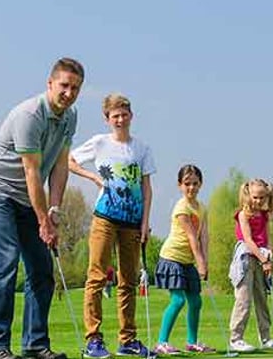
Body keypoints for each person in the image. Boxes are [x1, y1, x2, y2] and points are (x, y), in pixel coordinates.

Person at [0, 57, 84, 359]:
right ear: (50, 84)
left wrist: (55, 209)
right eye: (63, 86)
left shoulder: (70, 118)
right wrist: (43, 220)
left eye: (75, 88)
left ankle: (34, 345)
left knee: (42, 270)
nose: (68, 93)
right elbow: (32, 172)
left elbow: (60, 166)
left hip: (24, 200)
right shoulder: (29, 114)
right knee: (5, 265)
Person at [68, 93, 155, 358]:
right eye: (114, 115)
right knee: (96, 276)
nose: (120, 119)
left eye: (124, 114)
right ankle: (94, 339)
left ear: (131, 116)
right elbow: (69, 161)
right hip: (104, 218)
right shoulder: (99, 143)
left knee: (128, 282)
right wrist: (92, 177)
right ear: (107, 119)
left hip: (131, 222)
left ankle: (128, 339)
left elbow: (146, 188)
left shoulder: (141, 149)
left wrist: (145, 222)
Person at [152, 165, 218, 356]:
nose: (191, 188)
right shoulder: (182, 208)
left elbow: (203, 236)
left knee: (196, 302)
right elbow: (191, 238)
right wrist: (201, 263)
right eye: (187, 184)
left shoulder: (201, 207)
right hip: (172, 258)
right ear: (180, 185)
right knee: (178, 300)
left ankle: (192, 342)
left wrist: (205, 262)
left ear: (201, 184)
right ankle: (161, 343)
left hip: (188, 261)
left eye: (195, 183)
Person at [228, 179, 273, 354]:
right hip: (246, 257)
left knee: (262, 299)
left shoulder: (263, 215)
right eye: (255, 197)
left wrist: (269, 255)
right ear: (248, 195)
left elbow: (266, 238)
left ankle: (266, 338)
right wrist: (263, 259)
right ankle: (236, 338)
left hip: (261, 256)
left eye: (262, 197)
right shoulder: (242, 215)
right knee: (244, 299)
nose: (259, 201)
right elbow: (248, 240)